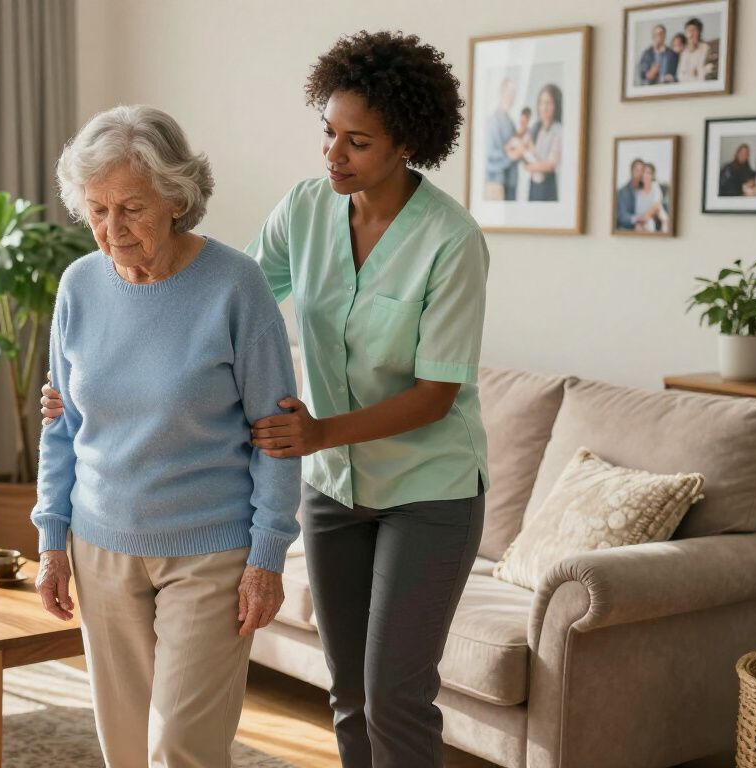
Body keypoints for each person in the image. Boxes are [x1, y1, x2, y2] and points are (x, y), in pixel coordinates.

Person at [44, 31, 490, 768]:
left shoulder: (450, 240)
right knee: (347, 693)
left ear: (406, 142)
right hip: (334, 487)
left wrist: (316, 436)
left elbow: (439, 393)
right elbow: (222, 303)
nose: (333, 154)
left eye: (357, 141)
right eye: (328, 133)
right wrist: (94, 381)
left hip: (426, 485)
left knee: (393, 695)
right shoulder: (307, 211)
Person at [31, 104, 301, 767]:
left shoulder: (236, 287)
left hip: (208, 553)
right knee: (124, 748)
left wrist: (267, 556)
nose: (111, 230)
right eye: (96, 210)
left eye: (132, 208)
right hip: (100, 546)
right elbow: (62, 426)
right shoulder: (79, 287)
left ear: (176, 198)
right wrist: (51, 540)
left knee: (183, 746)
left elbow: (278, 436)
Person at [523, 84, 563, 202]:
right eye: (541, 103)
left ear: (555, 105)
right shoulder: (536, 127)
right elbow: (524, 148)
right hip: (534, 185)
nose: (544, 107)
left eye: (548, 103)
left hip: (547, 186)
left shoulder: (558, 130)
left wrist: (530, 167)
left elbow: (551, 165)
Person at [483, 78, 518, 201]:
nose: (512, 97)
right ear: (501, 93)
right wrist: (510, 156)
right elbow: (490, 155)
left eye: (514, 93)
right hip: (496, 184)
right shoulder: (493, 121)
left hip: (510, 183)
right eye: (509, 93)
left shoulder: (511, 122)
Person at [676, 17, 715, 82]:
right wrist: (694, 73)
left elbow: (709, 69)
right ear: (685, 33)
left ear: (699, 32)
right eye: (689, 30)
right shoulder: (684, 51)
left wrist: (698, 72)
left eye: (694, 30)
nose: (691, 34)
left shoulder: (706, 48)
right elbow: (680, 75)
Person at [633, 162, 669, 232]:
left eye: (649, 173)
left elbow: (656, 206)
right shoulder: (638, 192)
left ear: (652, 175)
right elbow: (637, 211)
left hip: (654, 219)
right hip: (641, 220)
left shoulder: (655, 186)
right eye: (644, 172)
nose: (646, 175)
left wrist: (643, 219)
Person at [616, 158, 645, 230]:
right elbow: (622, 216)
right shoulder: (622, 192)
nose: (640, 174)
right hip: (628, 229)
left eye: (642, 171)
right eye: (637, 170)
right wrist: (637, 219)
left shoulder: (646, 189)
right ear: (631, 171)